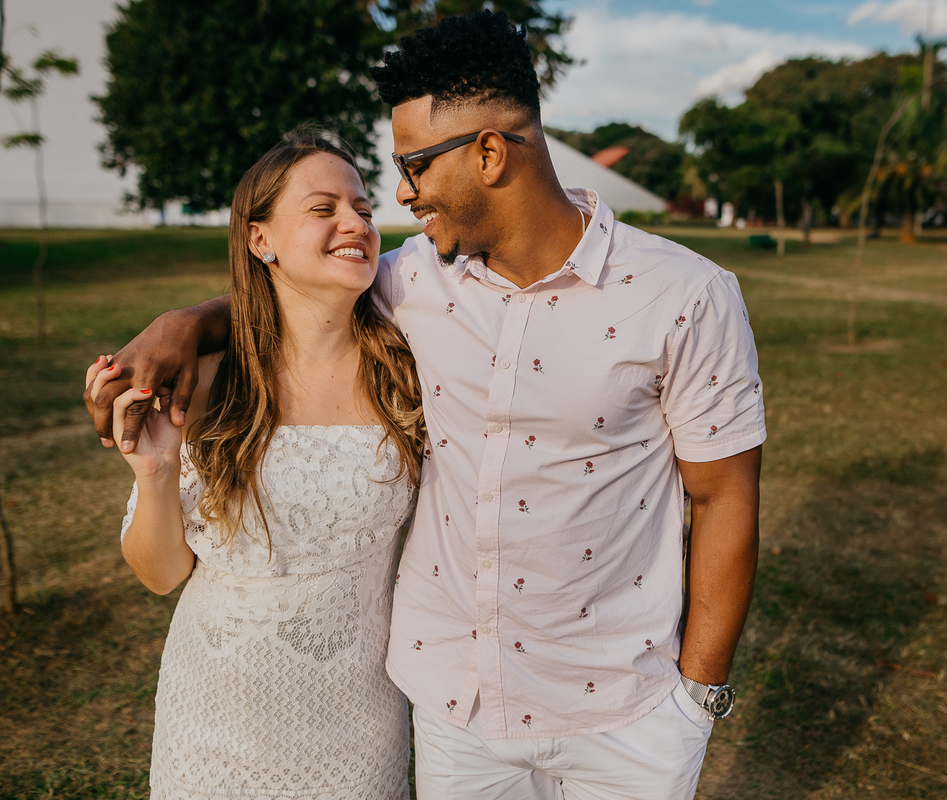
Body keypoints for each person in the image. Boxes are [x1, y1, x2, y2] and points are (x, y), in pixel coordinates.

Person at [87, 10, 765, 800]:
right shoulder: (415, 279)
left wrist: (695, 700)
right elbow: (292, 292)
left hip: (623, 715)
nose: (401, 198)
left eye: (412, 168)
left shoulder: (684, 295)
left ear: (488, 152)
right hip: (452, 710)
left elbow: (724, 497)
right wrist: (182, 326)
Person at [87, 128, 423, 799]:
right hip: (215, 720)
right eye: (323, 209)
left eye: (361, 206)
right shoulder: (206, 383)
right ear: (260, 239)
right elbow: (160, 576)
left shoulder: (407, 370)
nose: (355, 222)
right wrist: (153, 473)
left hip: (360, 725)